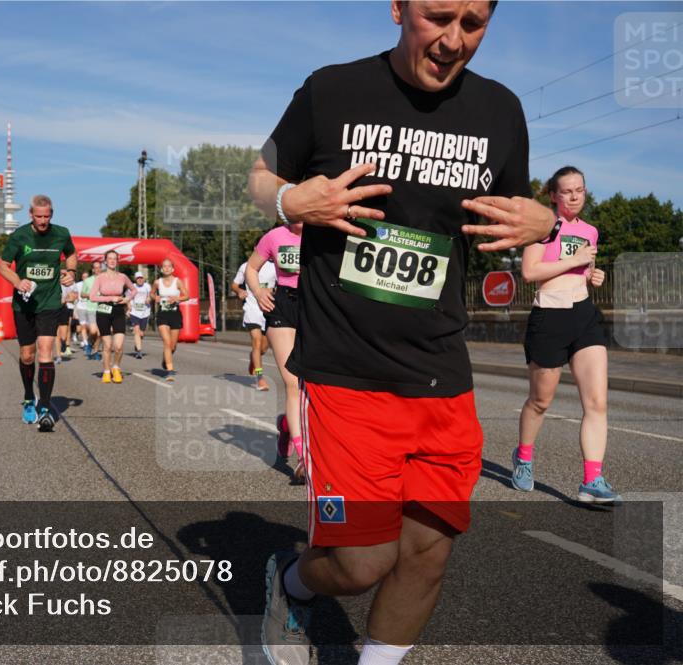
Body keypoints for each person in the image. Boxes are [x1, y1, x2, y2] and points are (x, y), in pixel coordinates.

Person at [247, 2, 558, 663]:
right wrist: (288, 200)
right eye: (438, 16)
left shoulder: (501, 111)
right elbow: (260, 175)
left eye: (473, 23)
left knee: (427, 552)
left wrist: (545, 228)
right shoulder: (331, 89)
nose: (452, 40)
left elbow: (518, 233)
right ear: (397, 7)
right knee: (361, 559)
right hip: (346, 372)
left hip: (441, 375)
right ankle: (293, 579)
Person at [513, 166, 617, 503]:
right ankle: (524, 458)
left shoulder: (591, 231)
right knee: (541, 401)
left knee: (597, 402)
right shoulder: (541, 227)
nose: (575, 196)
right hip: (550, 318)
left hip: (584, 316)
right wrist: (574, 259)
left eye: (580, 190)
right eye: (567, 191)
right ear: (554, 195)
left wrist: (592, 275)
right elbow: (530, 272)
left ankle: (593, 481)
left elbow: (581, 270)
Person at [0, 194, 77, 432]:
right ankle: (29, 397)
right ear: (30, 214)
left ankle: (44, 407)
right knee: (27, 355)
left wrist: (71, 271)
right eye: (38, 216)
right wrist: (17, 281)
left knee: (45, 351)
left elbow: (71, 254)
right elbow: (2, 265)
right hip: (24, 304)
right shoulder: (19, 236)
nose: (43, 221)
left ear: (52, 214)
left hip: (49, 301)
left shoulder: (61, 233)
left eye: (47, 216)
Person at [246, 220, 303, 481]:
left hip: (316, 307)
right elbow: (251, 268)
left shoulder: (325, 232)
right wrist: (258, 291)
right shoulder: (274, 236)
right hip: (283, 305)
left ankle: (286, 426)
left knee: (314, 385)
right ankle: (304, 459)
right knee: (293, 383)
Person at [89, 250, 137, 384]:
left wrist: (127, 299)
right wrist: (110, 297)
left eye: (114, 259)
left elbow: (134, 290)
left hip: (118, 311)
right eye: (109, 258)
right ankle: (106, 371)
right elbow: (93, 297)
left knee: (119, 346)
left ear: (117, 261)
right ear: (105, 261)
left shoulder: (122, 277)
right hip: (103, 311)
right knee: (107, 345)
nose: (112, 261)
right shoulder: (100, 277)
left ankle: (115, 367)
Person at [232, 259, 275, 392]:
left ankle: (253, 358)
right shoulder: (245, 266)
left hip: (268, 310)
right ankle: (260, 378)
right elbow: (234, 285)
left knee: (262, 348)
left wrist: (273, 289)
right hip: (252, 309)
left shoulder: (274, 267)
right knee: (256, 343)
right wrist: (239, 291)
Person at [154, 258, 188, 382]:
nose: (167, 268)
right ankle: (170, 371)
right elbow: (152, 294)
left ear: (173, 269)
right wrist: (155, 297)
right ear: (161, 269)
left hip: (175, 314)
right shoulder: (157, 282)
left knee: (172, 346)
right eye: (164, 266)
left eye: (169, 266)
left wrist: (177, 298)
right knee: (167, 342)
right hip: (163, 314)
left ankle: (165, 359)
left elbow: (187, 295)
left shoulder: (178, 282)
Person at [81, 261, 103, 360]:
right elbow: (82, 294)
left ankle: (95, 351)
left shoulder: (105, 280)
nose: (97, 270)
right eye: (95, 268)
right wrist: (90, 295)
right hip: (91, 308)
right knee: (93, 332)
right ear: (93, 270)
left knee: (100, 333)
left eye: (99, 268)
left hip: (103, 309)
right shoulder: (88, 281)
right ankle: (90, 343)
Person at [129, 271, 151, 359]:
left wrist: (149, 299)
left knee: (141, 333)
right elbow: (128, 297)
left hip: (145, 312)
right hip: (134, 312)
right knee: (136, 331)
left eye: (141, 278)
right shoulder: (132, 287)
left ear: (144, 279)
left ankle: (137, 345)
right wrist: (128, 305)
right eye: (138, 278)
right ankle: (139, 351)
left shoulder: (147, 286)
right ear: (135, 279)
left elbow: (151, 296)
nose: (140, 280)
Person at [58, 269, 77, 360]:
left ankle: (65, 344)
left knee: (65, 331)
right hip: (53, 308)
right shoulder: (53, 281)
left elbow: (74, 296)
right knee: (55, 330)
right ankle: (59, 353)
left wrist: (67, 299)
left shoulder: (71, 283)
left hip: (67, 307)